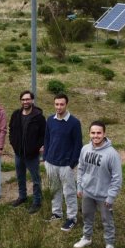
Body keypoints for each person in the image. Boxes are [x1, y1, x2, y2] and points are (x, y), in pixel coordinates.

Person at [73, 121, 123, 248]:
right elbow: (81, 168)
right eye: (93, 133)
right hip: (88, 192)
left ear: (104, 134)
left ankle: (109, 245)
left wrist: (111, 196)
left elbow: (117, 178)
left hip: (104, 195)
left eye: (99, 133)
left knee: (107, 220)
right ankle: (87, 237)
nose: (96, 136)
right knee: (87, 216)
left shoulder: (112, 154)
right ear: (89, 133)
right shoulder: (85, 149)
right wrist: (80, 186)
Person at [43, 93, 82, 231]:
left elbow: (78, 145)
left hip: (66, 165)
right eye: (56, 104)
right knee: (54, 190)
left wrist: (72, 164)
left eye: (61, 104)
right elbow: (46, 139)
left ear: (66, 105)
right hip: (51, 163)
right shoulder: (50, 120)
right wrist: (46, 158)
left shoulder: (74, 123)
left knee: (69, 192)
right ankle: (57, 213)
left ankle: (72, 218)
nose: (59, 107)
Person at [8, 90, 46, 214]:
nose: (25, 101)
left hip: (32, 155)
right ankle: (22, 196)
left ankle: (37, 201)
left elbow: (43, 134)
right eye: (23, 99)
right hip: (19, 153)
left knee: (35, 179)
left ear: (32, 100)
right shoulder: (16, 114)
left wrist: (37, 147)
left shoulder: (38, 117)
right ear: (21, 101)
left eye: (27, 99)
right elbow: (11, 130)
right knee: (20, 177)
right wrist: (13, 143)